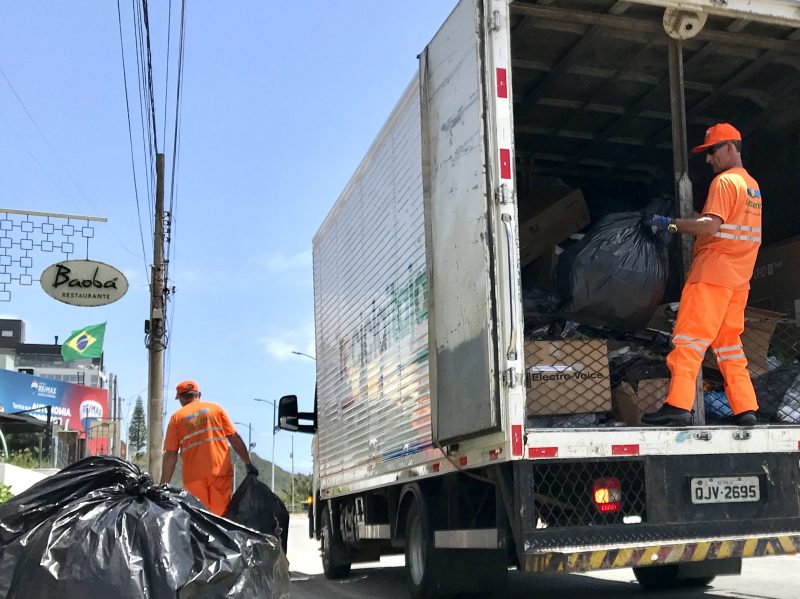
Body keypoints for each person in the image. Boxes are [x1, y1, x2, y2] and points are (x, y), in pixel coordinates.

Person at [642, 123, 761, 427]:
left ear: (731, 148)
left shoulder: (724, 182)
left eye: (711, 151)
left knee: (687, 341)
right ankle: (746, 409)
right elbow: (722, 225)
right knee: (730, 348)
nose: (708, 159)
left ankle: (678, 406)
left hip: (711, 277)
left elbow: (710, 227)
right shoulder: (752, 188)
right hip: (737, 283)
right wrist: (691, 218)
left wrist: (670, 223)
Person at [160, 380, 258, 515]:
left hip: (194, 477)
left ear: (181, 398)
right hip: (220, 472)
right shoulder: (215, 409)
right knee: (220, 519)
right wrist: (248, 463)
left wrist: (163, 485)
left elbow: (171, 455)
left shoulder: (176, 418)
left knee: (201, 521)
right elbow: (234, 438)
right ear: (198, 394)